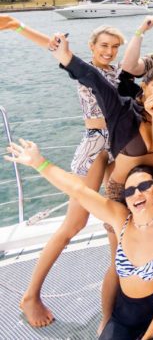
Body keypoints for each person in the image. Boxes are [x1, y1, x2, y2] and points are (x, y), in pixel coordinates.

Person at [49, 32, 153, 331]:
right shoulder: (121, 109)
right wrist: (64, 55)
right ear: (143, 86)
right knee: (121, 261)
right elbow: (92, 76)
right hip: (124, 194)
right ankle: (108, 318)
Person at [0, 16, 125, 328]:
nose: (109, 51)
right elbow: (53, 47)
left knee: (116, 222)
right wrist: (17, 27)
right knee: (74, 224)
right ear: (92, 47)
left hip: (117, 147)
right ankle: (31, 295)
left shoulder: (115, 72)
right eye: (104, 46)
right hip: (96, 148)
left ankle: (119, 290)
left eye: (114, 47)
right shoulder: (86, 72)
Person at [5, 140, 153, 340]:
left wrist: (148, 336)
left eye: (144, 186)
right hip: (126, 312)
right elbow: (79, 191)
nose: (137, 194)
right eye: (129, 191)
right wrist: (40, 163)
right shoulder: (120, 218)